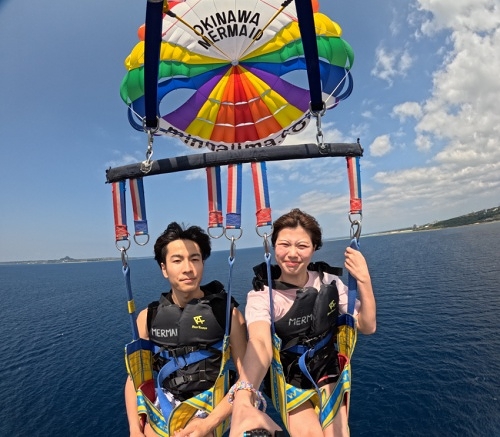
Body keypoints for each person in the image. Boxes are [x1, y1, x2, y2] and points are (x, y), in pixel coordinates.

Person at [228, 209, 376, 437]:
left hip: (327, 368)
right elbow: (260, 343)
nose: (292, 253)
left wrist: (364, 279)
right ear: (273, 247)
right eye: (284, 244)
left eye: (302, 246)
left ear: (314, 248)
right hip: (289, 378)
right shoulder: (263, 296)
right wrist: (244, 394)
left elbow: (367, 326)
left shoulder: (329, 282)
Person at [124, 222, 247, 437]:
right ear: (164, 268)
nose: (188, 268)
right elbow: (135, 379)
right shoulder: (148, 318)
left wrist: (209, 424)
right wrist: (135, 428)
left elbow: (246, 380)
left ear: (202, 263)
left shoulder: (227, 314)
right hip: (164, 407)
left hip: (210, 407)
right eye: (177, 260)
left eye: (195, 259)